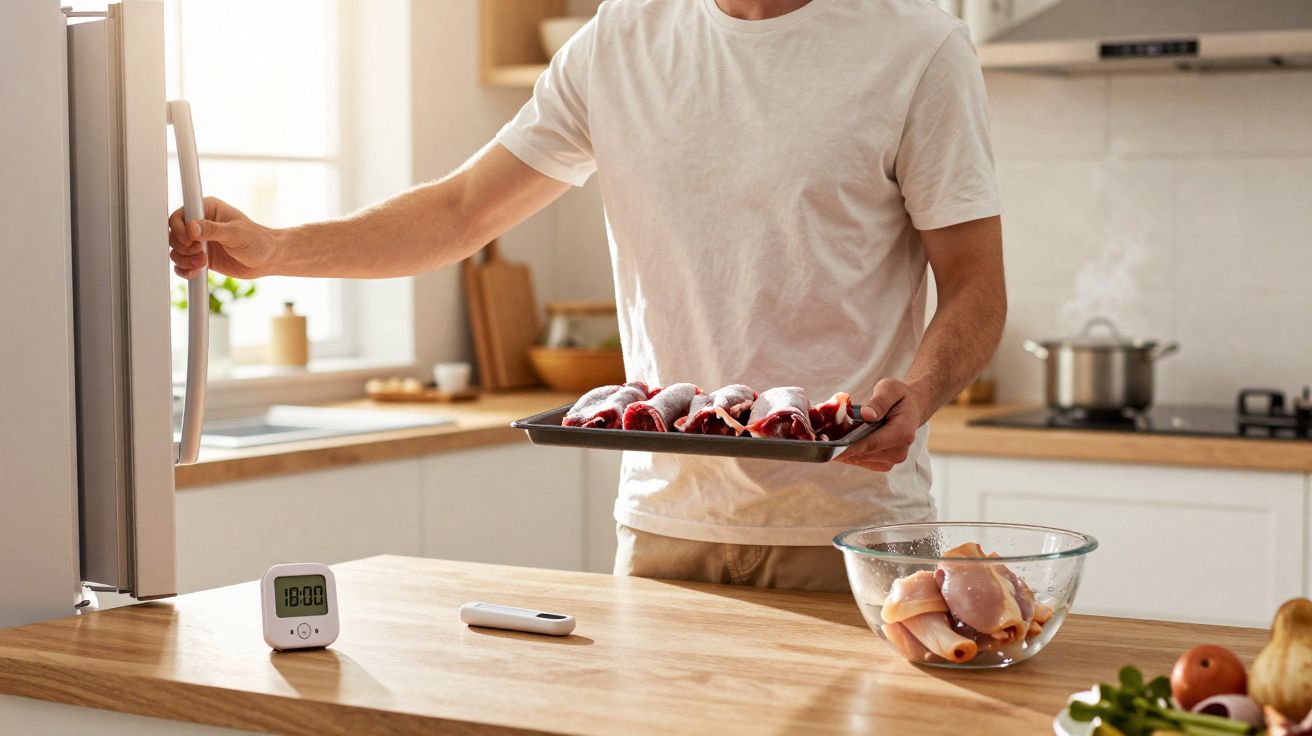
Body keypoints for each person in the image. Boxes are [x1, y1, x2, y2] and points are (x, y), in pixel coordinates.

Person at [168, 0, 1006, 593]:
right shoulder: (618, 41)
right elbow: (464, 211)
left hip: (851, 531)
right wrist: (278, 250)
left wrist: (922, 390)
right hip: (665, 530)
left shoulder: (918, 47)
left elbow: (975, 281)